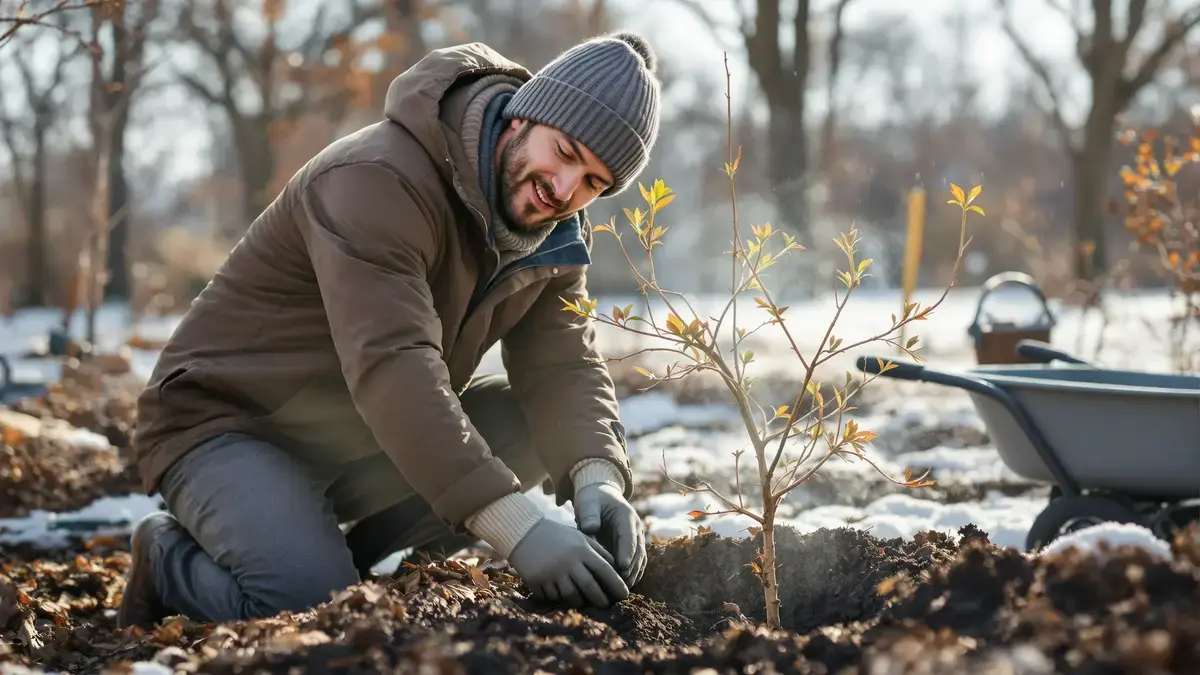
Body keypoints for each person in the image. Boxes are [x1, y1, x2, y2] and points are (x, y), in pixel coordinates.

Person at [116, 30, 661, 630]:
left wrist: (597, 477)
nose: (562, 190)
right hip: (228, 427)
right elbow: (395, 366)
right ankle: (168, 559)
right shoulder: (375, 179)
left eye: (592, 183)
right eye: (564, 151)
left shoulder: (553, 237)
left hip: (352, 434)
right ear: (523, 116)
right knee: (308, 611)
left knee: (532, 427)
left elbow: (564, 367)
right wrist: (517, 529)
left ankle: (332, 569)